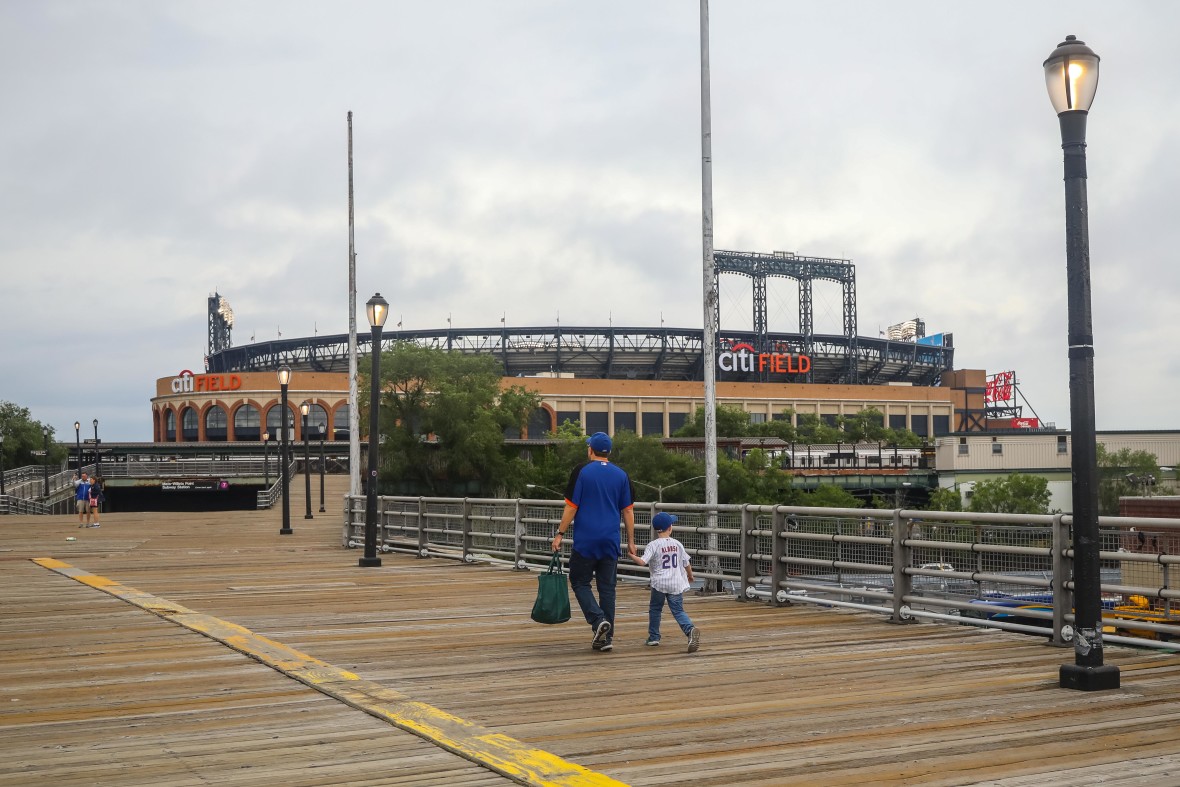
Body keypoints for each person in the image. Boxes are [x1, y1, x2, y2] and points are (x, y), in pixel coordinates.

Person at [550, 432, 635, 652]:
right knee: (608, 589)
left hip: (586, 540)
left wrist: (560, 533)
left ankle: (598, 621)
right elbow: (627, 510)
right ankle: (606, 638)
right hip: (610, 540)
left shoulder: (582, 472)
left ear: (590, 450)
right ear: (609, 452)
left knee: (579, 581)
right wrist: (631, 541)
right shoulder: (621, 475)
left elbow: (571, 506)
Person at [629, 512, 700, 652]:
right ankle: (690, 630)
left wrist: (632, 555)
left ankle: (654, 637)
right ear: (670, 527)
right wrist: (690, 576)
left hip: (659, 583)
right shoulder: (677, 544)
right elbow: (686, 563)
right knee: (678, 610)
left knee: (655, 609)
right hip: (675, 583)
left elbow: (643, 562)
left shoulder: (653, 545)